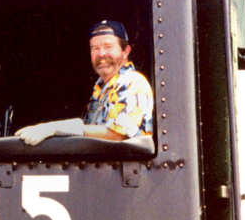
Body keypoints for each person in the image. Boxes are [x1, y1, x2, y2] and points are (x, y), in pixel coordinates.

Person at [15, 20, 153, 145]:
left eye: (108, 47)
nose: (101, 54)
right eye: (95, 48)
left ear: (125, 51)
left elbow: (117, 135)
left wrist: (57, 128)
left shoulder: (132, 82)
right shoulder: (102, 88)